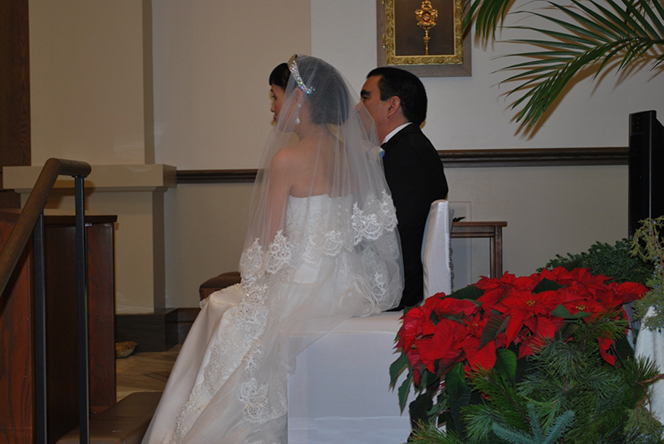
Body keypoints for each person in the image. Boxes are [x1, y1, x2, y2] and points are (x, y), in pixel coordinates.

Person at [141, 55, 403, 444]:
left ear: (299, 100)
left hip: (301, 284)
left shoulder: (287, 160)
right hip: (347, 286)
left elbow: (270, 241)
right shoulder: (353, 157)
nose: (272, 107)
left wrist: (256, 278)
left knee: (220, 310)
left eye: (275, 96)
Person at [360, 67, 448, 310]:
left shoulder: (408, 153)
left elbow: (396, 231)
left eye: (365, 97)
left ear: (392, 105)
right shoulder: (404, 147)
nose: (358, 108)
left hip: (396, 287)